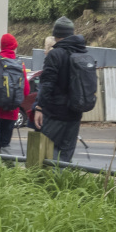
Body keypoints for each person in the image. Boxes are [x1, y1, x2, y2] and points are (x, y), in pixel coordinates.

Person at [34, 16, 88, 162]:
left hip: (55, 113)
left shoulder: (55, 54)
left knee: (44, 155)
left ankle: (46, 184)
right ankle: (62, 184)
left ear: (55, 34)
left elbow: (47, 84)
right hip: (75, 112)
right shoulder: (83, 54)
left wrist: (39, 108)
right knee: (65, 156)